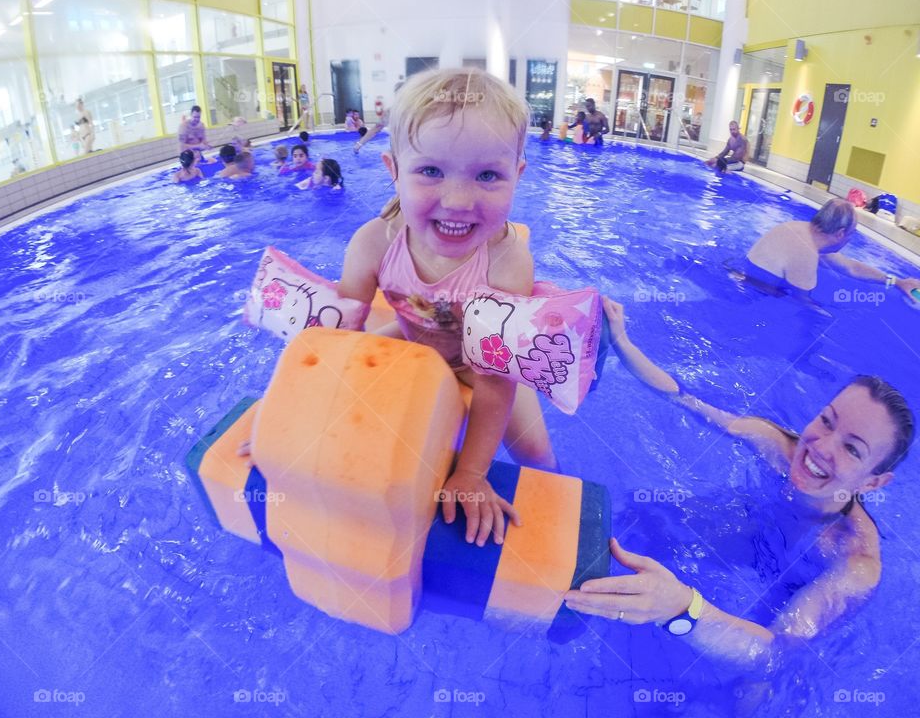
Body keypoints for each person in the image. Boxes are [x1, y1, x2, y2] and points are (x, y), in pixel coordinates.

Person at [565, 304, 914, 671]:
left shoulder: (853, 564)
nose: (821, 447)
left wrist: (682, 607)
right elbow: (681, 397)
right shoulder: (774, 445)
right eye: (826, 421)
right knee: (643, 519)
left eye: (852, 449)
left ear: (874, 482)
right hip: (753, 533)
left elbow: (775, 653)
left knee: (748, 690)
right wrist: (621, 340)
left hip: (793, 587)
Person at [338, 68, 556, 548]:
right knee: (345, 366)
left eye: (487, 175)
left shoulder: (506, 262)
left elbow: (497, 381)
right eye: (431, 171)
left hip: (482, 369)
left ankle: (552, 513)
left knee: (538, 454)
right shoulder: (373, 244)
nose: (458, 201)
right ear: (393, 169)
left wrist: (473, 472)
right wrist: (297, 411)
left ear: (517, 176)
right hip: (412, 333)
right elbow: (334, 337)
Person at [744, 198, 920, 299]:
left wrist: (897, 281)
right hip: (752, 297)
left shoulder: (805, 231)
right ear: (840, 234)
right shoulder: (806, 252)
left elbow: (851, 267)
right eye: (852, 234)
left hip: (746, 281)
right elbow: (801, 303)